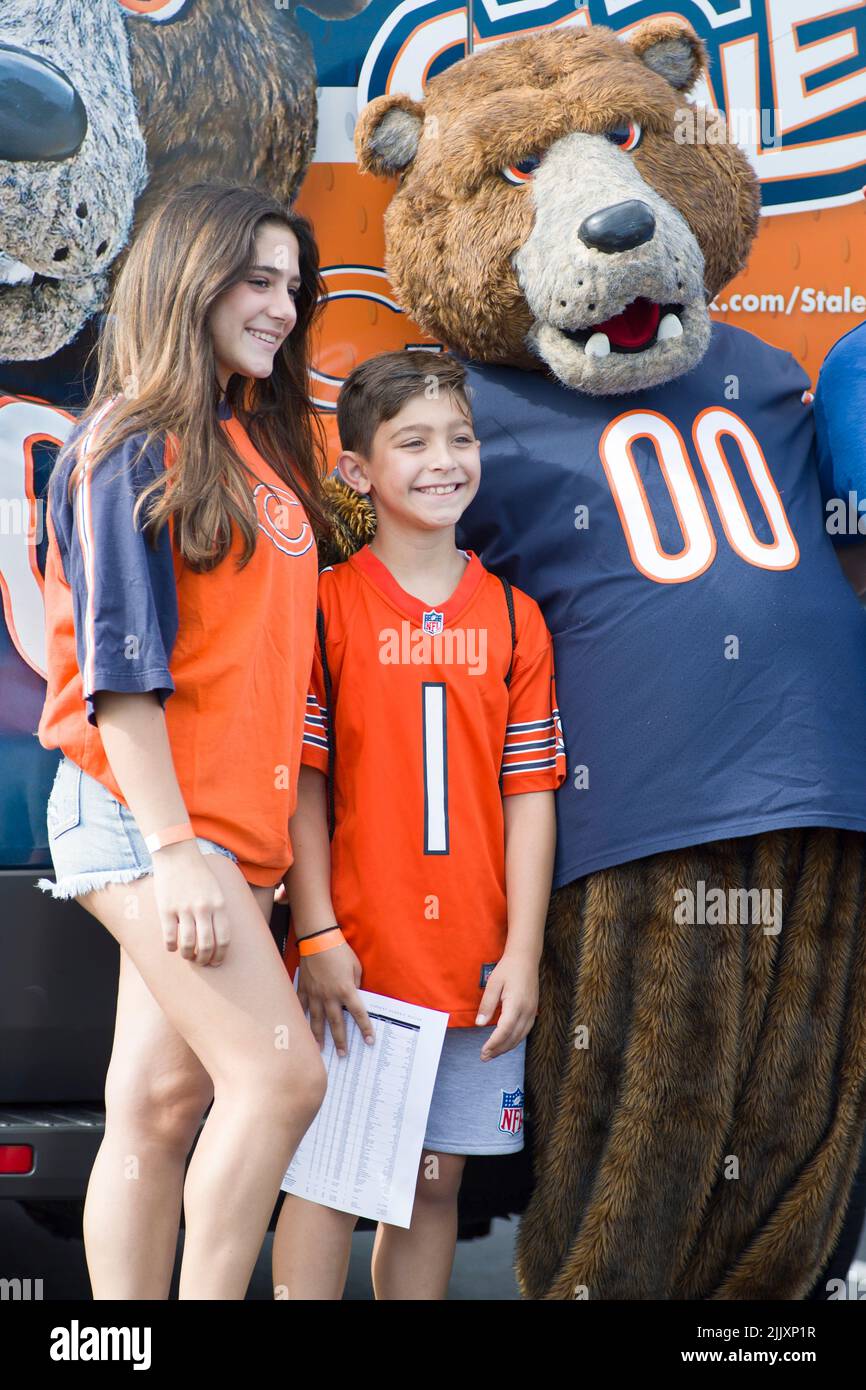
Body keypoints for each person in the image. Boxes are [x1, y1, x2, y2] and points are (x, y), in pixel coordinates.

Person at [35, 182, 330, 1300]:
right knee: (278, 1083)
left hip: (224, 827)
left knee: (159, 1108)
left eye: (292, 285)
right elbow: (121, 675)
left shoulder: (246, 441)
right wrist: (176, 852)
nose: (282, 306)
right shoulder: (130, 445)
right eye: (255, 280)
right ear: (189, 277)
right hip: (147, 814)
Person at [271, 349, 566, 1299]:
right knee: (327, 1184)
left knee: (434, 1188)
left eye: (461, 437)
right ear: (357, 469)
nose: (445, 460)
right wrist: (316, 932)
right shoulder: (325, 607)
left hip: (473, 969)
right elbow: (303, 791)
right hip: (357, 964)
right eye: (413, 442)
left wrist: (523, 951)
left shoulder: (517, 619)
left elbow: (530, 796)